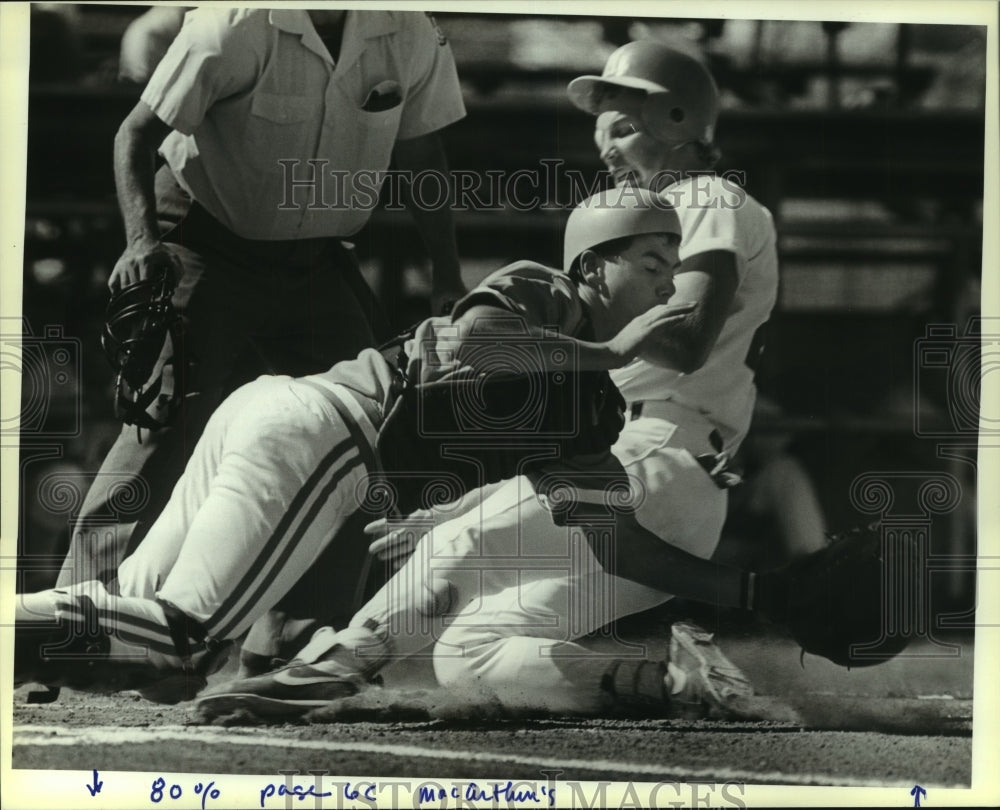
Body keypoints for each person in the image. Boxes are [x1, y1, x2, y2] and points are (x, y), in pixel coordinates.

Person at [193, 40, 783, 720]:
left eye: (622, 127)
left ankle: (324, 675)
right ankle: (679, 682)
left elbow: (685, 339)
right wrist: (468, 504)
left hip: (661, 455)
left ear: (679, 119)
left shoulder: (702, 194)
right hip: (666, 477)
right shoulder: (677, 224)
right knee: (470, 650)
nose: (608, 152)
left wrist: (600, 348)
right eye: (602, 134)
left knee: (454, 551)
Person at [16, 189, 703, 705]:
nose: (668, 286)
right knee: (181, 633)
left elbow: (616, 537)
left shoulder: (599, 402)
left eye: (674, 271)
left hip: (285, 422)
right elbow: (478, 342)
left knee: (154, 647)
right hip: (326, 433)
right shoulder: (552, 292)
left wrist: (754, 590)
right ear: (591, 266)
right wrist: (611, 348)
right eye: (650, 263)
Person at [56, 8, 468, 595]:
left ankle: (291, 641)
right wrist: (142, 240)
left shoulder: (409, 30)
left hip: (316, 260)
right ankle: (79, 614)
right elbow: (135, 134)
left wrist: (446, 272)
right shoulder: (232, 26)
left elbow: (424, 152)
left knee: (358, 431)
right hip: (205, 239)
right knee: (161, 421)